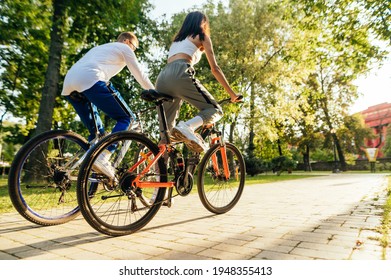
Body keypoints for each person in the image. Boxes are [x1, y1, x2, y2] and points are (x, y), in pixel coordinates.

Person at [61, 32, 154, 176]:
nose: (133, 51)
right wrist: (155, 92)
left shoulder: (102, 49)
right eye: (134, 47)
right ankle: (104, 156)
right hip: (91, 78)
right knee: (128, 118)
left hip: (69, 84)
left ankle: (88, 184)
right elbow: (140, 74)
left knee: (97, 135)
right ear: (126, 41)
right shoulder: (124, 48)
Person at [155, 11, 241, 153]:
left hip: (163, 78)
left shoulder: (176, 40)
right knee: (215, 110)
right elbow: (215, 69)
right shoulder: (201, 36)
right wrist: (232, 94)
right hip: (180, 73)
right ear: (202, 23)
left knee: (166, 136)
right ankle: (187, 126)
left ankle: (159, 175)